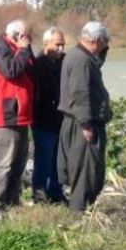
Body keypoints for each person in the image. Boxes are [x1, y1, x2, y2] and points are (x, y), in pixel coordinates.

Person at [57, 21, 112, 212]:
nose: (107, 44)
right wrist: (86, 125)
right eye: (105, 41)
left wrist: (103, 50)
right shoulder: (82, 60)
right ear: (96, 40)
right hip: (82, 125)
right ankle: (78, 217)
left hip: (77, 123)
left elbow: (96, 65)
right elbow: (80, 94)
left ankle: (81, 212)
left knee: (87, 171)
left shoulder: (79, 55)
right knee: (85, 173)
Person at [0, 19, 35, 219]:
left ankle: (12, 199)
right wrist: (22, 51)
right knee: (4, 161)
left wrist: (26, 51)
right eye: (26, 36)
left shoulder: (20, 50)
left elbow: (30, 72)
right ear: (16, 35)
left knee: (19, 160)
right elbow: (11, 71)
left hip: (20, 115)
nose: (29, 40)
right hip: (4, 114)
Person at [31, 27, 66, 203]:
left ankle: (56, 193)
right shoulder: (38, 64)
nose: (61, 49)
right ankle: (39, 197)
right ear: (46, 44)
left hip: (59, 120)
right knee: (43, 161)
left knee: (58, 162)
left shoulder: (62, 62)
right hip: (42, 120)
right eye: (57, 45)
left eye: (63, 45)